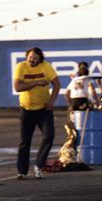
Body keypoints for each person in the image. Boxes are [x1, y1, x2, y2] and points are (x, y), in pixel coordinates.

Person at [13, 47, 60, 180]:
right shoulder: (21, 67)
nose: (32, 60)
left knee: (49, 136)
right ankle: (22, 171)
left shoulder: (46, 67)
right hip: (26, 110)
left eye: (35, 58)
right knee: (25, 141)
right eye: (30, 57)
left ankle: (38, 166)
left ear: (40, 59)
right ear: (26, 57)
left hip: (43, 110)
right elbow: (17, 87)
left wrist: (51, 102)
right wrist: (37, 82)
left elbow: (57, 85)